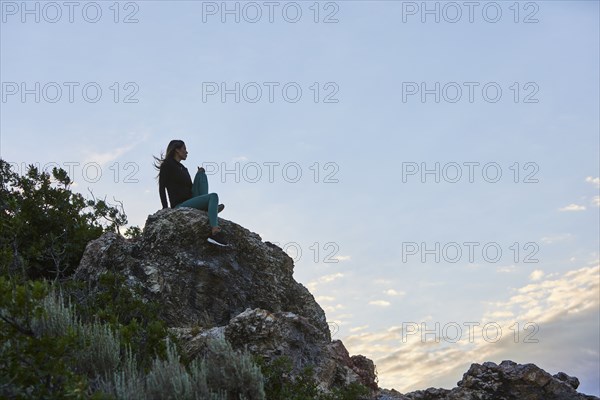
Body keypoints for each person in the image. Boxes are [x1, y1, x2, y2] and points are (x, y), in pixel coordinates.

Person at [154, 140, 229, 246]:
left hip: (190, 200)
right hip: (180, 205)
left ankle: (207, 207)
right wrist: (166, 209)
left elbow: (190, 188)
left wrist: (199, 174)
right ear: (177, 150)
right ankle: (215, 232)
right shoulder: (167, 165)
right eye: (184, 149)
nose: (187, 152)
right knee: (213, 196)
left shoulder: (184, 169)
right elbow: (162, 188)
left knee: (202, 174)